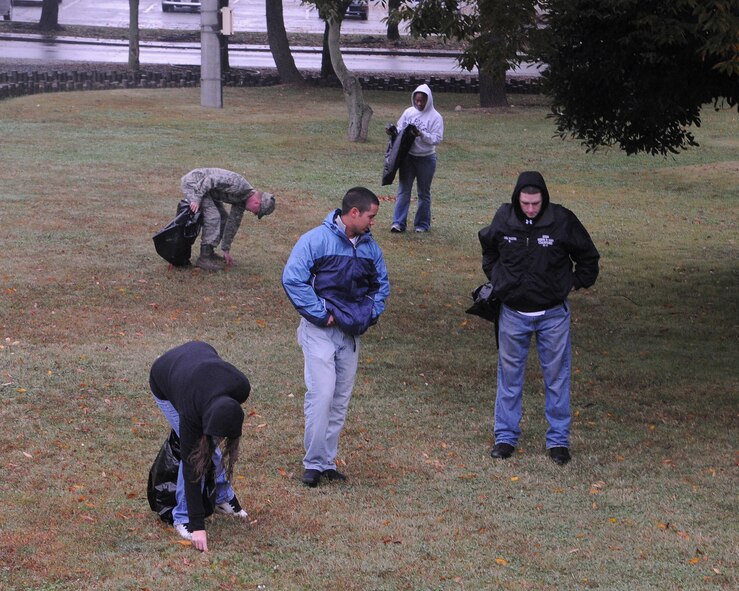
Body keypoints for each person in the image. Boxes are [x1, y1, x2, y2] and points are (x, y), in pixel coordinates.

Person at [478, 171, 600, 465]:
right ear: (516, 199)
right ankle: (505, 437)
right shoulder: (504, 218)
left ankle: (558, 441)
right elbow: (489, 249)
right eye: (525, 203)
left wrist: (571, 283)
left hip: (553, 315)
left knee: (557, 378)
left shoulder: (562, 220)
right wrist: (499, 279)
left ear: (544, 198)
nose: (530, 208)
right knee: (509, 378)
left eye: (535, 203)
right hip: (512, 314)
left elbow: (588, 258)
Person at [282, 187, 390, 487]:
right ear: (353, 213)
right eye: (370, 216)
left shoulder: (370, 248)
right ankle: (313, 464)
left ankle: (326, 462)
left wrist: (368, 314)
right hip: (320, 332)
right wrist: (322, 314)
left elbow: (381, 286)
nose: (373, 223)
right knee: (323, 394)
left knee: (340, 399)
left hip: (351, 335)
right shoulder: (315, 240)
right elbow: (293, 278)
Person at [149, 341, 251, 552]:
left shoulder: (241, 387)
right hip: (164, 377)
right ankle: (183, 516)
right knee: (199, 453)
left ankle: (222, 498)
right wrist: (198, 526)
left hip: (198, 356)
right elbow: (190, 465)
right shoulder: (191, 409)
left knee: (210, 447)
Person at [180, 167, 276, 270]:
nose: (253, 213)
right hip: (195, 183)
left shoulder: (243, 200)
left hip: (208, 191)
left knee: (223, 218)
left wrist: (226, 249)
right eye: (256, 212)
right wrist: (196, 199)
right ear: (257, 203)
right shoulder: (239, 185)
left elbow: (233, 223)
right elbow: (210, 179)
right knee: (213, 217)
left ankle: (209, 252)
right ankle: (204, 258)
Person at [389, 83, 444, 234]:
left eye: (422, 101)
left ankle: (422, 224)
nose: (419, 104)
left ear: (428, 100)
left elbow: (437, 139)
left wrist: (421, 134)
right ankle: (398, 223)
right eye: (417, 100)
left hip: (426, 159)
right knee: (403, 191)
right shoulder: (408, 112)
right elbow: (401, 129)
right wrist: (393, 131)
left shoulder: (436, 117)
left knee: (423, 193)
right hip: (408, 158)